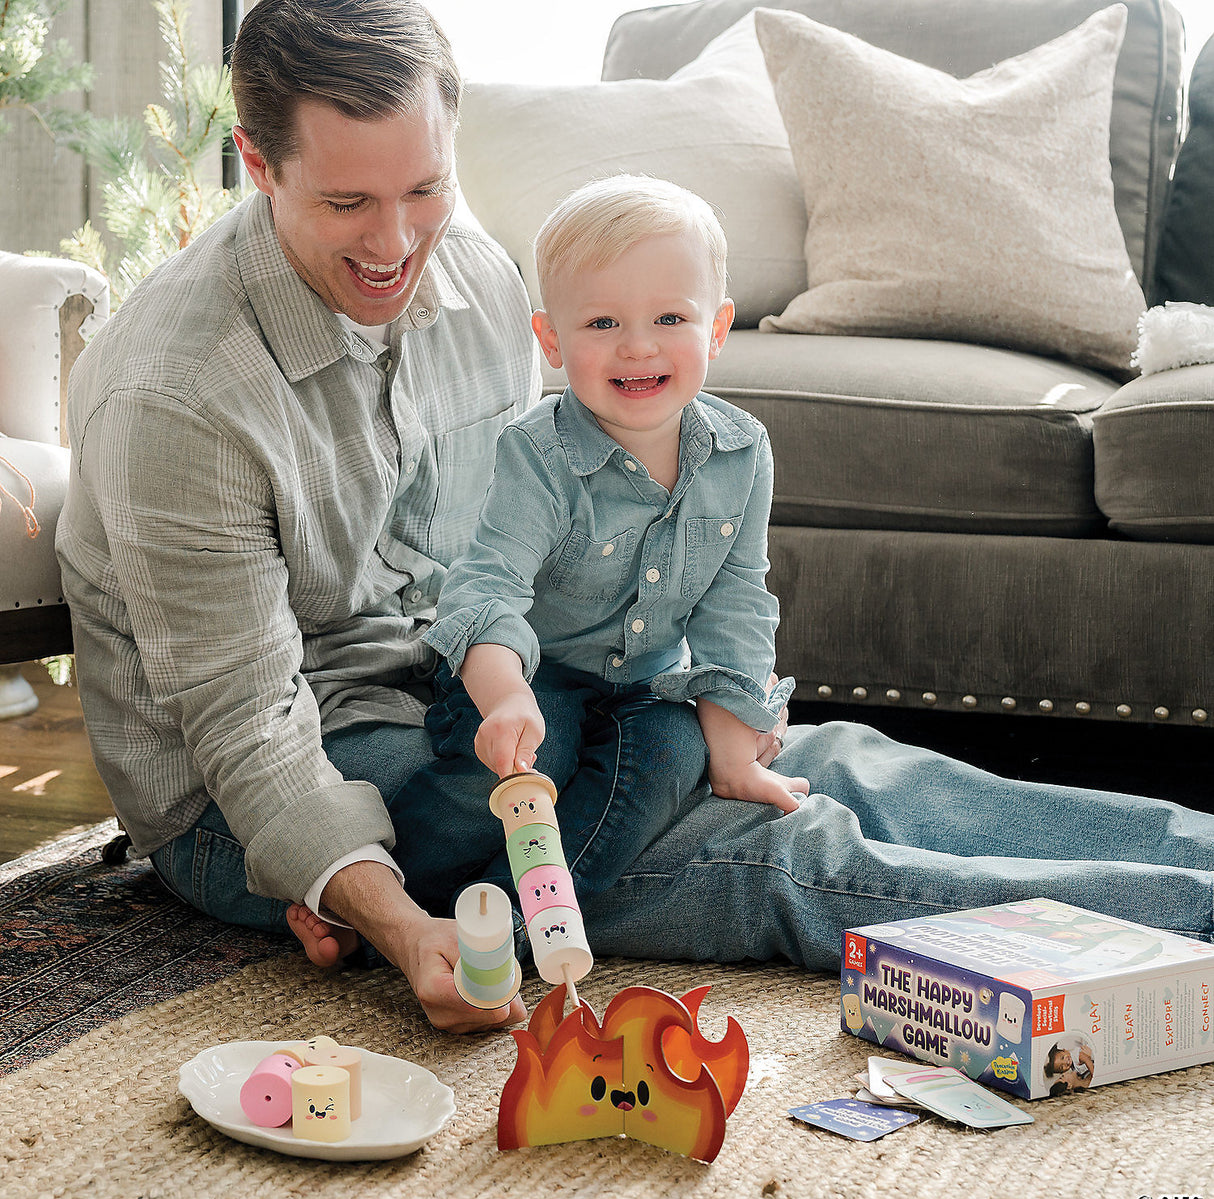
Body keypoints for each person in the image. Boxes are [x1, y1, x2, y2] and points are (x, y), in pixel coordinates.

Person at [57, 0, 1214, 1037]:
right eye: (347, 202)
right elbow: (247, 726)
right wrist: (395, 920)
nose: (396, 242)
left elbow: (537, 540)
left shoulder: (471, 275)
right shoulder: (176, 391)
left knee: (807, 765)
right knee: (760, 846)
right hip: (276, 776)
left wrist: (678, 688)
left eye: (424, 188)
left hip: (474, 690)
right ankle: (1192, 915)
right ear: (255, 163)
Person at [415, 175, 808, 909]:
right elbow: (487, 588)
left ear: (717, 330)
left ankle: (512, 926)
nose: (637, 346)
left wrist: (734, 748)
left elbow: (735, 604)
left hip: (651, 683)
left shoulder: (741, 451)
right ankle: (387, 893)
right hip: (533, 674)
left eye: (668, 317)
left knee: (671, 756)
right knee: (536, 755)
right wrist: (503, 700)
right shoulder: (538, 454)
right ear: (552, 342)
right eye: (601, 324)